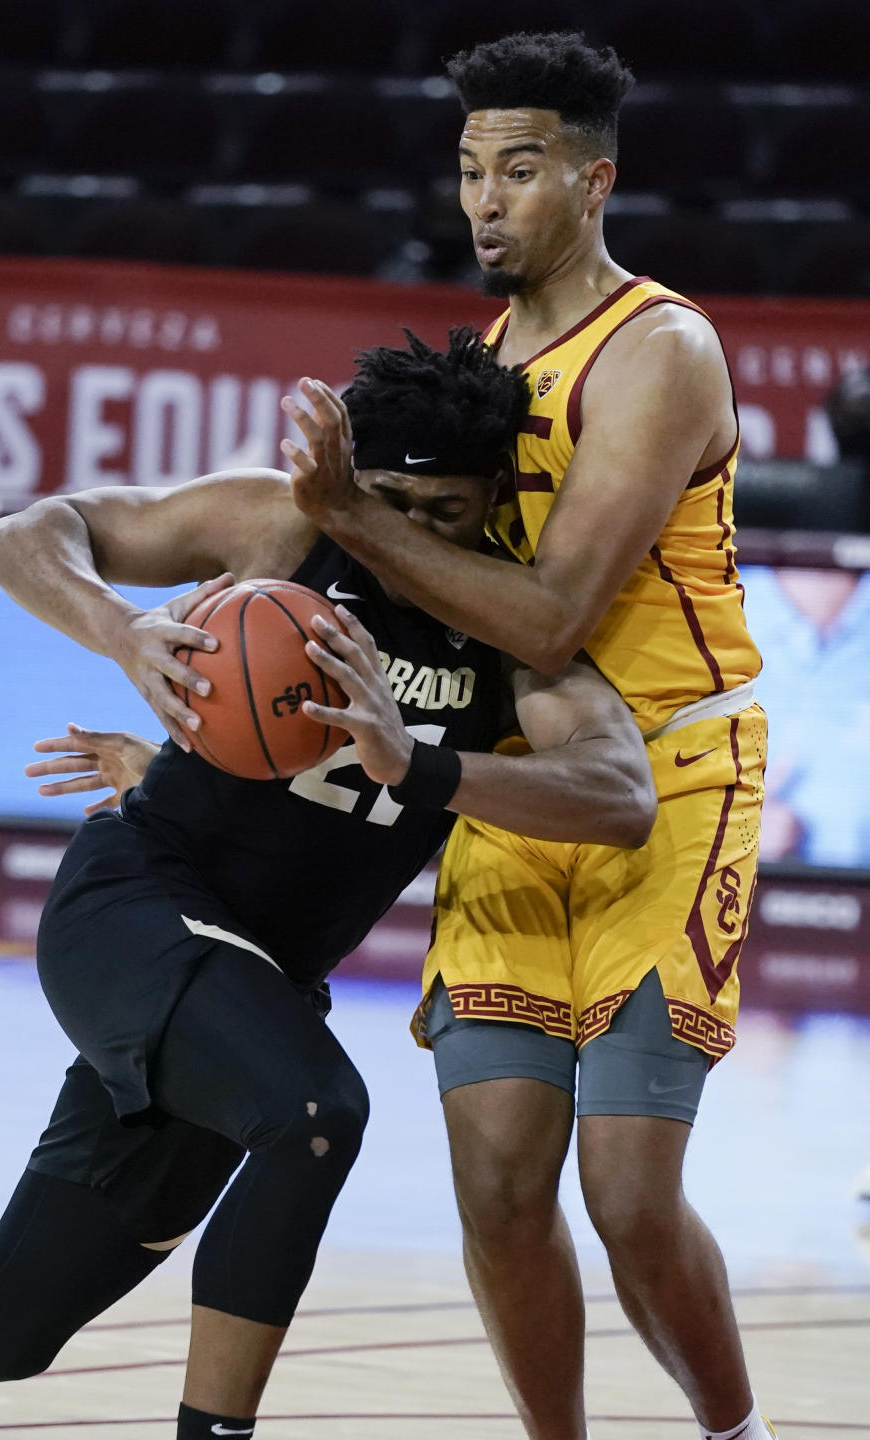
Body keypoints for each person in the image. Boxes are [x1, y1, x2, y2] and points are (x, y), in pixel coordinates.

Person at [0, 330, 658, 1439]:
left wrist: (429, 766)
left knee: (3, 1327)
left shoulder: (506, 627)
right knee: (316, 1113)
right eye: (390, 506)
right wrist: (122, 629)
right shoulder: (283, 522)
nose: (409, 539)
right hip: (137, 907)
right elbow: (26, 535)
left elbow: (619, 792)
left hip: (257, 987)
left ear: (495, 499)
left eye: (444, 515)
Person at [279, 31, 775, 1440]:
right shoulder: (482, 360)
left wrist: (353, 511)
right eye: (469, 172)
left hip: (673, 777)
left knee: (624, 1192)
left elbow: (553, 613)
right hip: (525, 778)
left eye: (520, 172)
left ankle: (733, 1431)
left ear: (594, 180)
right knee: (498, 1184)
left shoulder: (661, 348)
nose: (485, 201)